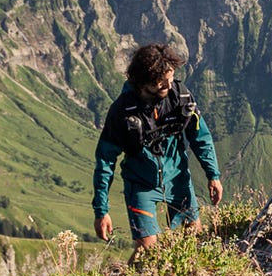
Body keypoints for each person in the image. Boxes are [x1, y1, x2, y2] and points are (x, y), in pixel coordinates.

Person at [92, 42, 222, 258]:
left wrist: (213, 175)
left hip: (178, 179)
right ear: (143, 83)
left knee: (194, 242)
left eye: (170, 80)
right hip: (141, 185)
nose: (169, 87)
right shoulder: (122, 111)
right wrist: (101, 211)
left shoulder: (180, 96)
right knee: (147, 253)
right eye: (162, 84)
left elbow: (200, 136)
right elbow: (105, 161)